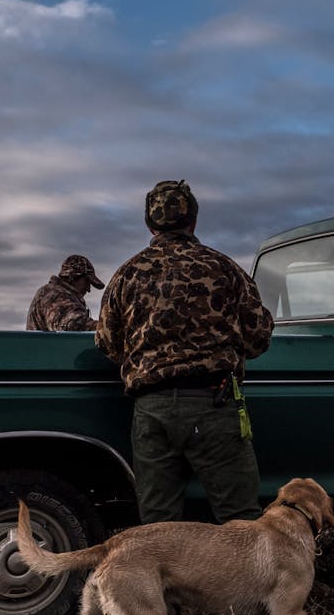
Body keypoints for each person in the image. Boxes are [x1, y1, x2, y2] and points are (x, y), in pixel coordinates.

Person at [95, 180, 274, 526]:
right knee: (241, 521)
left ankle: (168, 582)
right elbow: (258, 339)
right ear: (193, 221)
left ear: (149, 224)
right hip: (214, 404)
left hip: (151, 410)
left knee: (159, 527)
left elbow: (107, 343)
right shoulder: (224, 269)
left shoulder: (127, 275)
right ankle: (240, 582)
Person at [26, 255, 105, 331]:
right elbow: (72, 325)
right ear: (73, 276)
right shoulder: (54, 295)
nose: (88, 289)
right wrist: (108, 329)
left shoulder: (58, 293)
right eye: (87, 282)